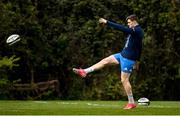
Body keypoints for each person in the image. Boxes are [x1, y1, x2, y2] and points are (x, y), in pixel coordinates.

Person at [73, 14, 144, 109]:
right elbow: (139, 47)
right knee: (105, 61)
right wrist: (138, 61)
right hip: (122, 55)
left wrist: (107, 22)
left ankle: (131, 102)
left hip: (128, 59)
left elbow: (122, 29)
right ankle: (85, 71)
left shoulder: (138, 30)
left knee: (124, 80)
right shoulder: (133, 30)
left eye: (129, 22)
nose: (128, 24)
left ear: (134, 21)